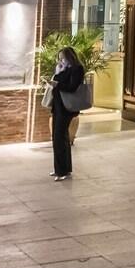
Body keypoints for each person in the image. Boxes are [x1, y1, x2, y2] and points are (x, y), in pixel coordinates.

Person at [47, 45, 85, 181]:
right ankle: (63, 169)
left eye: (62, 57)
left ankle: (61, 171)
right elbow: (58, 79)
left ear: (69, 57)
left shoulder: (77, 69)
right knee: (61, 137)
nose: (61, 60)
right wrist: (57, 73)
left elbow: (73, 87)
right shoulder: (64, 69)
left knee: (59, 138)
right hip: (58, 106)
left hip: (67, 108)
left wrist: (58, 85)